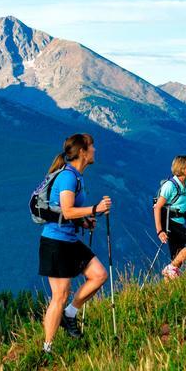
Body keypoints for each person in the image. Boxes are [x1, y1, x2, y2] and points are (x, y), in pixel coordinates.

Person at [39, 133, 112, 351]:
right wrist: (94, 209)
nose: (95, 150)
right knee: (59, 295)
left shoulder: (77, 176)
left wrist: (84, 222)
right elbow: (68, 210)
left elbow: (67, 213)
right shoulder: (68, 177)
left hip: (68, 239)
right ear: (82, 152)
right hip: (55, 242)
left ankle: (70, 313)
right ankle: (47, 349)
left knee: (99, 275)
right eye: (92, 146)